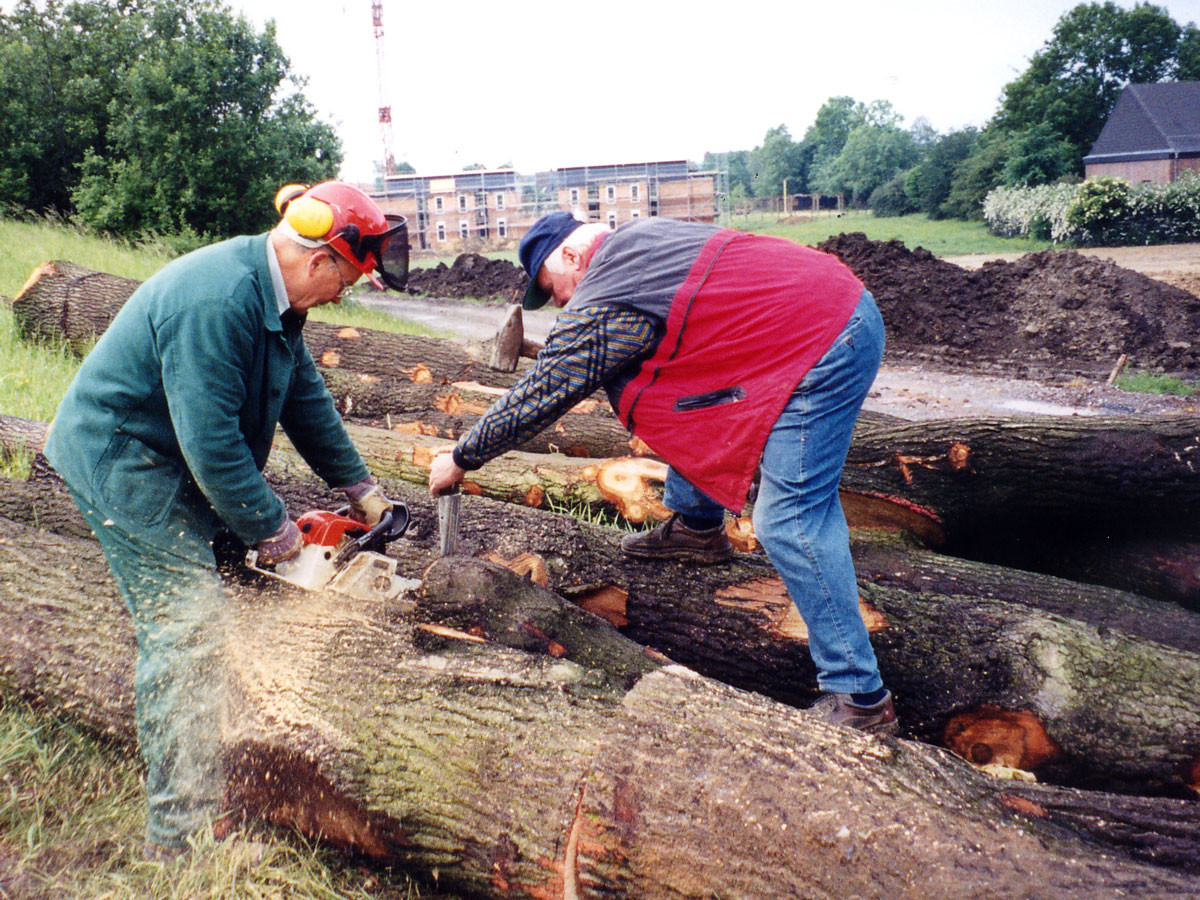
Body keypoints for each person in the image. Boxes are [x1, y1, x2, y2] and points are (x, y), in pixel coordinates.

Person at [44, 181, 408, 858]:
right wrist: (273, 532)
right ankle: (179, 837)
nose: (341, 296)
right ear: (319, 260)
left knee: (223, 590)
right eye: (346, 281)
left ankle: (219, 767)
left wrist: (361, 489)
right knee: (189, 626)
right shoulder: (218, 298)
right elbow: (210, 441)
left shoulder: (274, 298)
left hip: (168, 456)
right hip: (123, 459)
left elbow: (304, 396)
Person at [428, 211, 896, 736]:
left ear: (571, 257)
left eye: (553, 290)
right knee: (681, 393)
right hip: (819, 314)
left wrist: (462, 456)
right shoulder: (638, 247)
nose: (560, 304)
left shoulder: (612, 286)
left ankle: (860, 695)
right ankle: (698, 528)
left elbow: (549, 390)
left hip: (825, 338)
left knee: (790, 520)